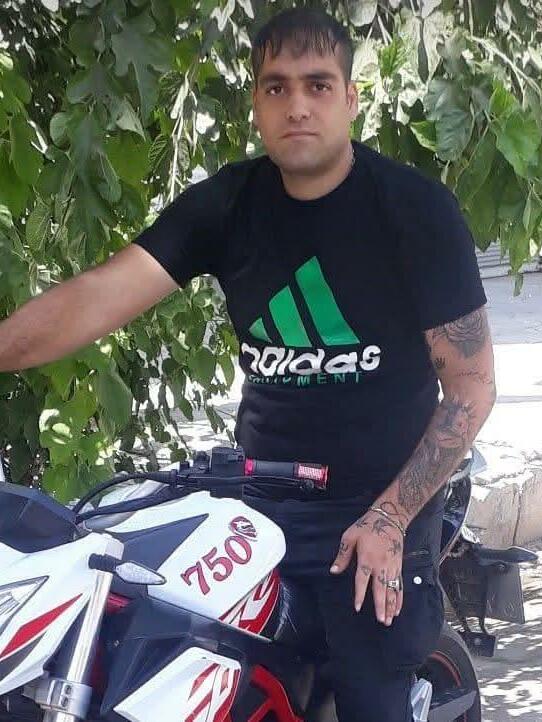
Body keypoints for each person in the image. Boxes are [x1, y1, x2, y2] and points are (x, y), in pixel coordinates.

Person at [0, 8, 495, 721]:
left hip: (379, 506)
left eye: (318, 85)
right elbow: (97, 296)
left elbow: (472, 386)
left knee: (370, 693)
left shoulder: (414, 211)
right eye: (277, 87)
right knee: (163, 651)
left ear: (351, 99)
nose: (298, 105)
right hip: (260, 499)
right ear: (256, 104)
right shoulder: (228, 205)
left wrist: (390, 518)